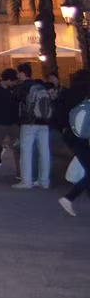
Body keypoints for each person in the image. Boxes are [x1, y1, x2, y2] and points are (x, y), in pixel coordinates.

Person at [56, 70, 90, 216]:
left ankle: (69, 198)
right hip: (84, 138)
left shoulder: (67, 94)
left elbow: (59, 115)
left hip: (71, 136)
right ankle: (69, 197)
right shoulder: (85, 95)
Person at [15, 66, 55, 190]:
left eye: (18, 74)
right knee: (44, 151)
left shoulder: (24, 86)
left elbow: (16, 99)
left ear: (22, 74)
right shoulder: (41, 86)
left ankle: (26, 181)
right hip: (44, 122)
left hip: (29, 122)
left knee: (26, 151)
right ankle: (44, 181)